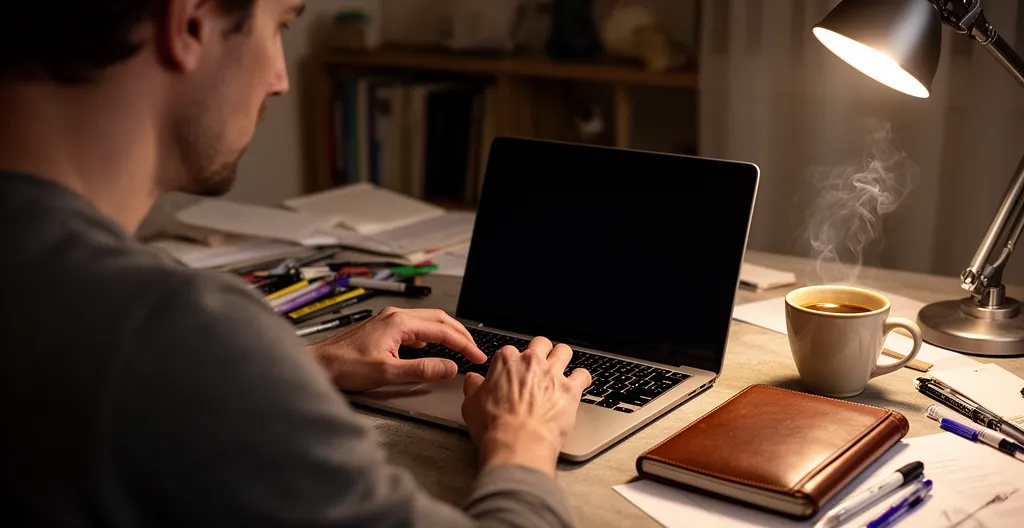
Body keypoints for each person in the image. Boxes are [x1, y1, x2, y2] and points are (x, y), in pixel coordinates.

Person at [0, 1, 593, 526]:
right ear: (190, 23)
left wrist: (299, 364)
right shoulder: (174, 332)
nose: (281, 79)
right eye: (280, 24)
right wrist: (524, 437)